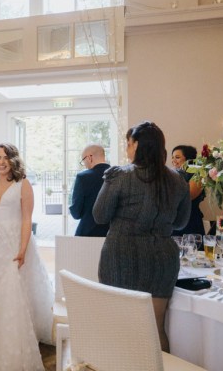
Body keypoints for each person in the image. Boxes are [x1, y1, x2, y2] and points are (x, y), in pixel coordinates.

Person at [93, 121, 191, 352]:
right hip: (161, 259)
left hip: (121, 256)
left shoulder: (119, 176)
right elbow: (180, 223)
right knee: (156, 328)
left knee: (119, 327)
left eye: (128, 143)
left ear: (137, 145)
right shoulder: (178, 180)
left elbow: (99, 215)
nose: (127, 149)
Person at [0, 143, 54, 370]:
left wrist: (22, 250)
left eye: (4, 157)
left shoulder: (23, 185)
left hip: (14, 242)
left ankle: (12, 349)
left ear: (13, 159)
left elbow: (26, 220)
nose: (0, 161)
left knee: (12, 292)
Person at [69, 144, 110, 236]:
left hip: (88, 233)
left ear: (89, 158)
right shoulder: (118, 175)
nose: (84, 165)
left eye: (83, 160)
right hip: (112, 234)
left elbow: (76, 213)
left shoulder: (83, 177)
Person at [171, 145, 206, 236]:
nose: (173, 161)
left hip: (191, 222)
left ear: (188, 159)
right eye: (173, 158)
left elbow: (188, 195)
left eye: (177, 157)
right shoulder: (171, 175)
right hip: (172, 222)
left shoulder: (199, 174)